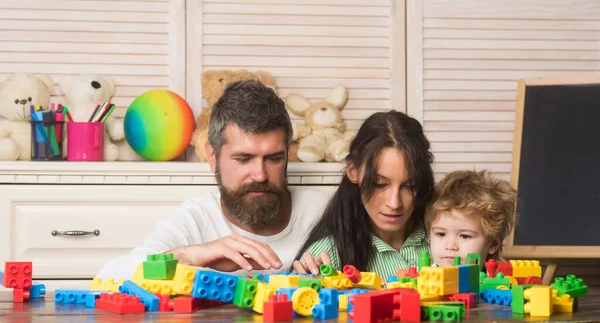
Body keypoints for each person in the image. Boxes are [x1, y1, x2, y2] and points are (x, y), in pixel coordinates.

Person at [96, 80, 330, 279]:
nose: (260, 174)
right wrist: (190, 256)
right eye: (243, 159)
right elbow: (110, 276)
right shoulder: (195, 219)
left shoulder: (325, 211)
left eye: (274, 158)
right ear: (212, 156)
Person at [292, 110, 435, 281]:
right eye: (380, 184)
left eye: (409, 186)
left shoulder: (444, 236)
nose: (394, 203)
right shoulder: (325, 256)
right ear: (353, 171)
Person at [425, 170, 517, 268]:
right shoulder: (418, 279)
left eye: (465, 236)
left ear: (493, 244)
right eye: (441, 234)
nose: (450, 246)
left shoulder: (502, 279)